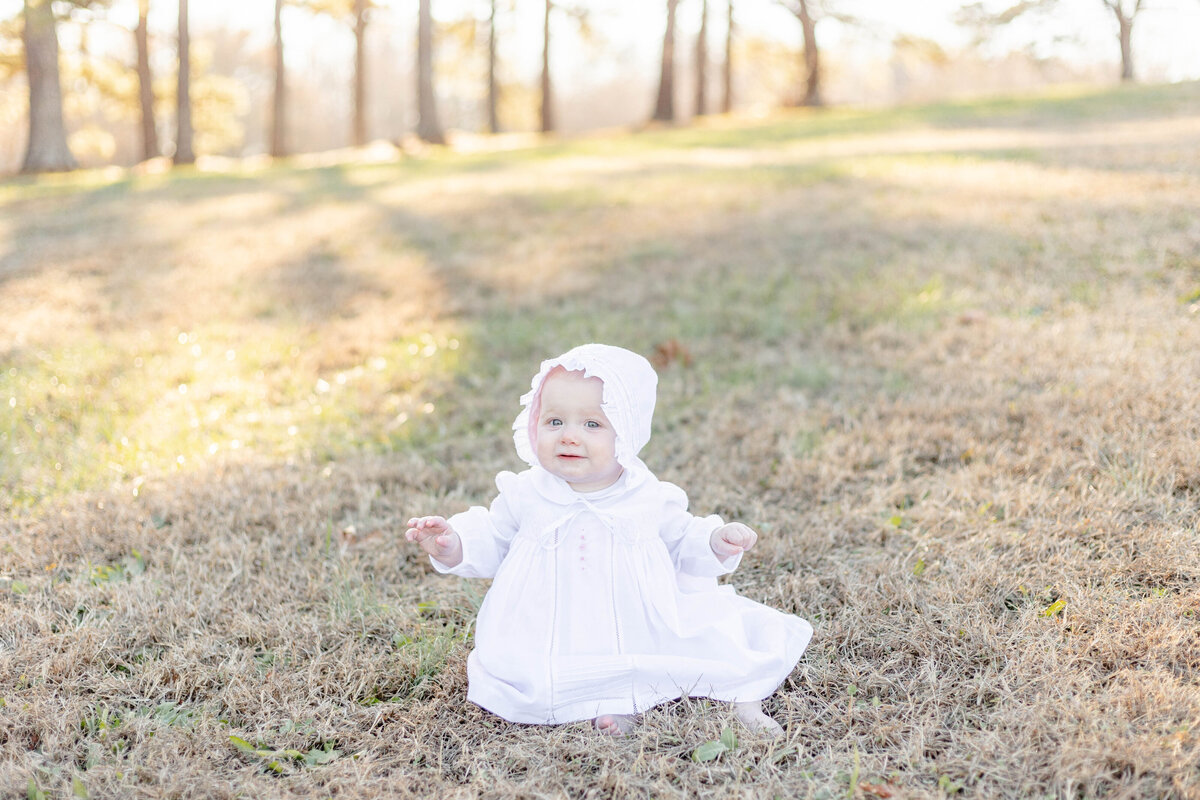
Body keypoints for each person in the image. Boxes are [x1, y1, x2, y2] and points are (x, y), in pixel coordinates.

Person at [406, 344, 812, 737]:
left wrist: (716, 541)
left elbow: (680, 538)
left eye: (592, 424)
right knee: (535, 673)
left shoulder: (647, 494)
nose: (568, 436)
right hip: (546, 627)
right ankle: (604, 698)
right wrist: (451, 544)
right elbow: (493, 539)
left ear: (627, 433)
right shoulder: (526, 492)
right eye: (554, 421)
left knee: (704, 648)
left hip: (637, 620)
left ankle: (721, 698)